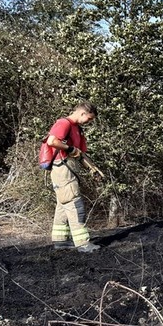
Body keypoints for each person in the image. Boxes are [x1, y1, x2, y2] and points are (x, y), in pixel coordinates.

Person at [45, 101, 100, 253]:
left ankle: (60, 241)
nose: (89, 122)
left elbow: (80, 153)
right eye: (88, 119)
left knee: (63, 204)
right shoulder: (64, 123)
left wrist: (93, 169)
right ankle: (83, 243)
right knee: (74, 203)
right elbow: (52, 141)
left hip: (68, 167)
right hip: (62, 168)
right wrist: (69, 148)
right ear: (82, 113)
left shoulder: (77, 129)